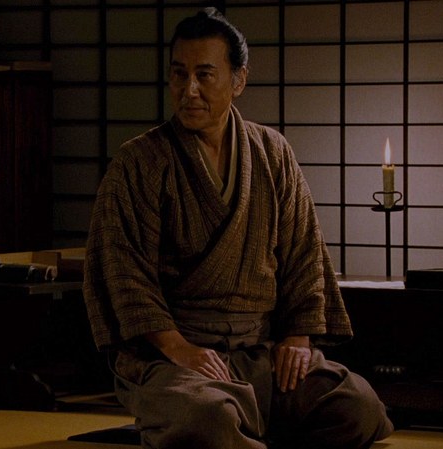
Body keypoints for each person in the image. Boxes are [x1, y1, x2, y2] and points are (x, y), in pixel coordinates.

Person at [83, 7, 393, 449]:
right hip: (176, 357)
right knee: (206, 418)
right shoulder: (140, 162)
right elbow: (125, 274)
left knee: (359, 409)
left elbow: (304, 252)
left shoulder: (272, 152)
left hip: (260, 353)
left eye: (205, 75)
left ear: (238, 80)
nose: (189, 90)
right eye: (179, 74)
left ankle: (245, 427)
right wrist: (178, 347)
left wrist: (297, 337)